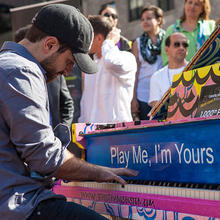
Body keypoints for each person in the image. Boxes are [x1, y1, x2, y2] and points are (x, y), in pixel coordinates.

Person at [0, 4, 138, 220]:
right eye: (69, 62)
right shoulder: (22, 71)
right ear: (50, 44)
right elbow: (44, 156)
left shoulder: (7, 64)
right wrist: (99, 172)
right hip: (18, 205)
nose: (67, 71)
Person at [79, 15, 137, 123]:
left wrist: (109, 41)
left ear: (99, 38)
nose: (84, 41)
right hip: (93, 134)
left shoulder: (127, 58)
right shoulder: (91, 66)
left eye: (87, 36)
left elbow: (110, 62)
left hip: (118, 132)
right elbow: (85, 103)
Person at [14, 24, 74, 129]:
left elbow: (67, 105)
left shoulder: (55, 72)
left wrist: (62, 131)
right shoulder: (14, 77)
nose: (67, 71)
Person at [131, 5, 165, 120]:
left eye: (149, 18)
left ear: (159, 20)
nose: (145, 22)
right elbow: (134, 73)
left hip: (164, 94)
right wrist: (133, 98)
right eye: (143, 19)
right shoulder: (138, 43)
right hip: (143, 95)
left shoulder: (168, 39)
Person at [161, 0, 215, 66]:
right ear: (185, 5)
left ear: (202, 9)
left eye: (196, 4)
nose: (192, 6)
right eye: (190, 2)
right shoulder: (172, 30)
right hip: (180, 74)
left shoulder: (211, 26)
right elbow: (165, 56)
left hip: (207, 73)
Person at [149, 32, 189, 107]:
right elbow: (156, 108)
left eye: (185, 45)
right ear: (166, 50)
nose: (181, 48)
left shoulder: (196, 69)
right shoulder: (157, 77)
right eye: (176, 44)